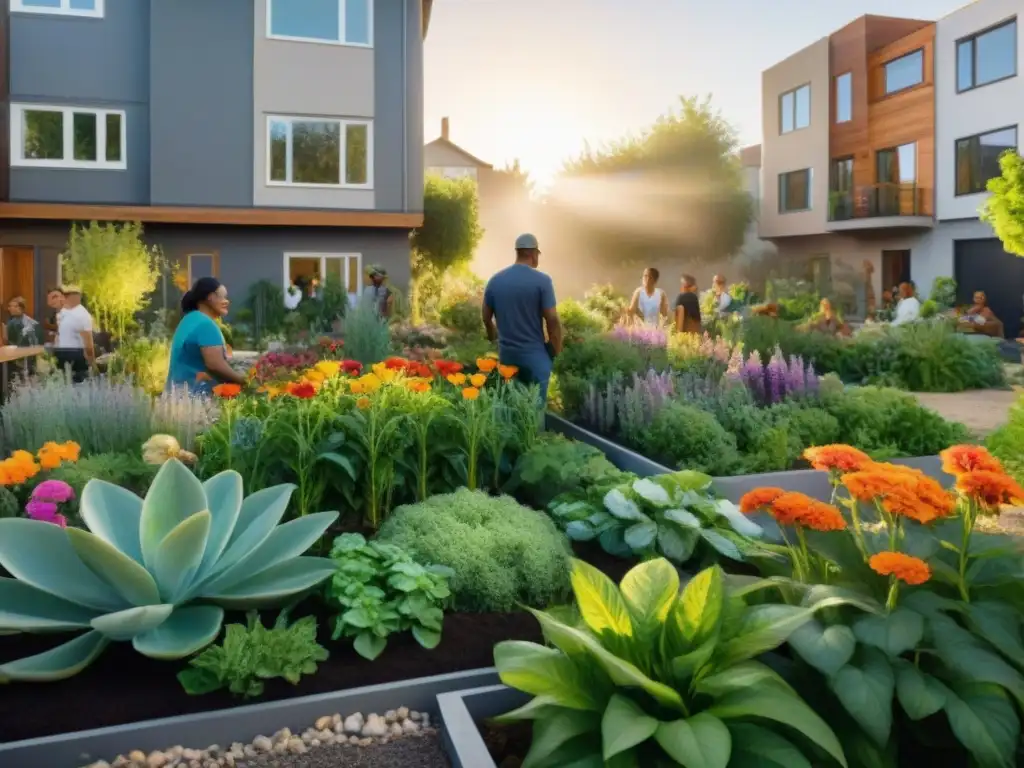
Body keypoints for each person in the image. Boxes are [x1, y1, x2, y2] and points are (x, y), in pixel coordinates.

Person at [482, 233, 562, 402]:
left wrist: (492, 336)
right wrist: (555, 348)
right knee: (535, 410)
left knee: (511, 405)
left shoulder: (495, 281)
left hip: (507, 356)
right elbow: (552, 320)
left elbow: (486, 318)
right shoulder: (542, 281)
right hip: (535, 357)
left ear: (518, 252)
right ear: (533, 254)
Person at [166, 277, 245, 394]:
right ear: (210, 297)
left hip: (176, 397)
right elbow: (215, 364)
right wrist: (245, 382)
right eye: (222, 296)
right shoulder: (205, 324)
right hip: (195, 401)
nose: (227, 301)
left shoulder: (190, 319)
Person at [53, 286, 95, 383]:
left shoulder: (82, 315)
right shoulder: (63, 313)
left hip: (75, 355)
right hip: (68, 355)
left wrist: (91, 361)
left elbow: (88, 343)